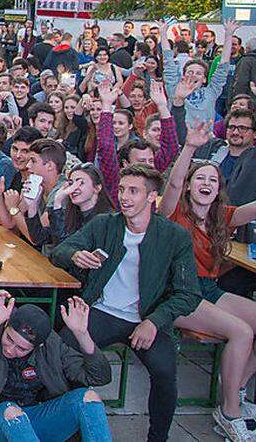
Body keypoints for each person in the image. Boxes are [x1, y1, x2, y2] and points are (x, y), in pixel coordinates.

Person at [50, 164, 201, 442]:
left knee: (165, 373)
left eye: (133, 191)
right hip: (101, 310)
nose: (125, 197)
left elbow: (189, 293)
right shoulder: (105, 223)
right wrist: (75, 255)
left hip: (147, 318)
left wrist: (155, 321)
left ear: (152, 197)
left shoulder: (174, 236)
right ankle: (67, 427)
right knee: (61, 353)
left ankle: (158, 438)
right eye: (121, 189)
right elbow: (60, 250)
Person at [161, 121, 256, 439]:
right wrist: (190, 148)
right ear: (191, 186)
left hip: (209, 288)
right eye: (199, 178)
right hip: (177, 292)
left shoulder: (221, 215)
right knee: (242, 333)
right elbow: (173, 185)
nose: (205, 183)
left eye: (212, 180)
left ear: (218, 189)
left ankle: (236, 388)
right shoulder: (174, 212)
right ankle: (231, 413)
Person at [0, 293, 113, 442]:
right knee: (11, 412)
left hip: (33, 419)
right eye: (9, 339)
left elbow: (99, 377)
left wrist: (82, 334)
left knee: (89, 398)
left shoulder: (51, 345)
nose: (10, 349)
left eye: (21, 348)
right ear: (6, 325)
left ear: (38, 346)